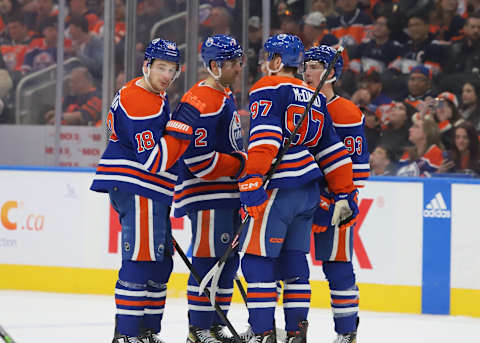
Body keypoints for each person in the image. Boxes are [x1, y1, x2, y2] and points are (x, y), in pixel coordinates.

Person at [238, 34, 358, 343]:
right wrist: (344, 191)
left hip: (280, 185)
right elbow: (332, 150)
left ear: (277, 60)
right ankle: (296, 333)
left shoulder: (268, 86)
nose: (266, 62)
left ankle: (262, 333)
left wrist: (253, 177)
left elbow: (265, 136)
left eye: (268, 57)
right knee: (294, 264)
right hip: (308, 190)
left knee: (257, 260)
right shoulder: (314, 96)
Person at [90, 38, 195, 343]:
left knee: (160, 262)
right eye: (161, 67)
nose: (167, 75)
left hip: (149, 190)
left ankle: (146, 331)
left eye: (173, 69)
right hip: (139, 188)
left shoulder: (151, 93)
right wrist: (182, 126)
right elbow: (153, 160)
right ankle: (127, 335)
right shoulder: (140, 102)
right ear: (146, 65)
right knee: (141, 259)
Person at [171, 34, 246, 343]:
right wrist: (242, 164)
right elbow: (198, 161)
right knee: (207, 259)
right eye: (233, 63)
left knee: (227, 262)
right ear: (215, 65)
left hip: (226, 195)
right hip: (206, 196)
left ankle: (215, 325)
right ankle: (199, 329)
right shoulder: (199, 101)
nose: (239, 69)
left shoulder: (223, 96)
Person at [303, 45, 370, 343]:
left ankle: (347, 333)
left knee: (338, 266)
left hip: (336, 202)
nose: (307, 71)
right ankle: (293, 330)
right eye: (305, 65)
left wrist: (335, 198)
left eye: (315, 66)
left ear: (331, 73)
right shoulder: (295, 102)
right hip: (299, 199)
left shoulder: (346, 111)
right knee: (289, 265)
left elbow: (357, 170)